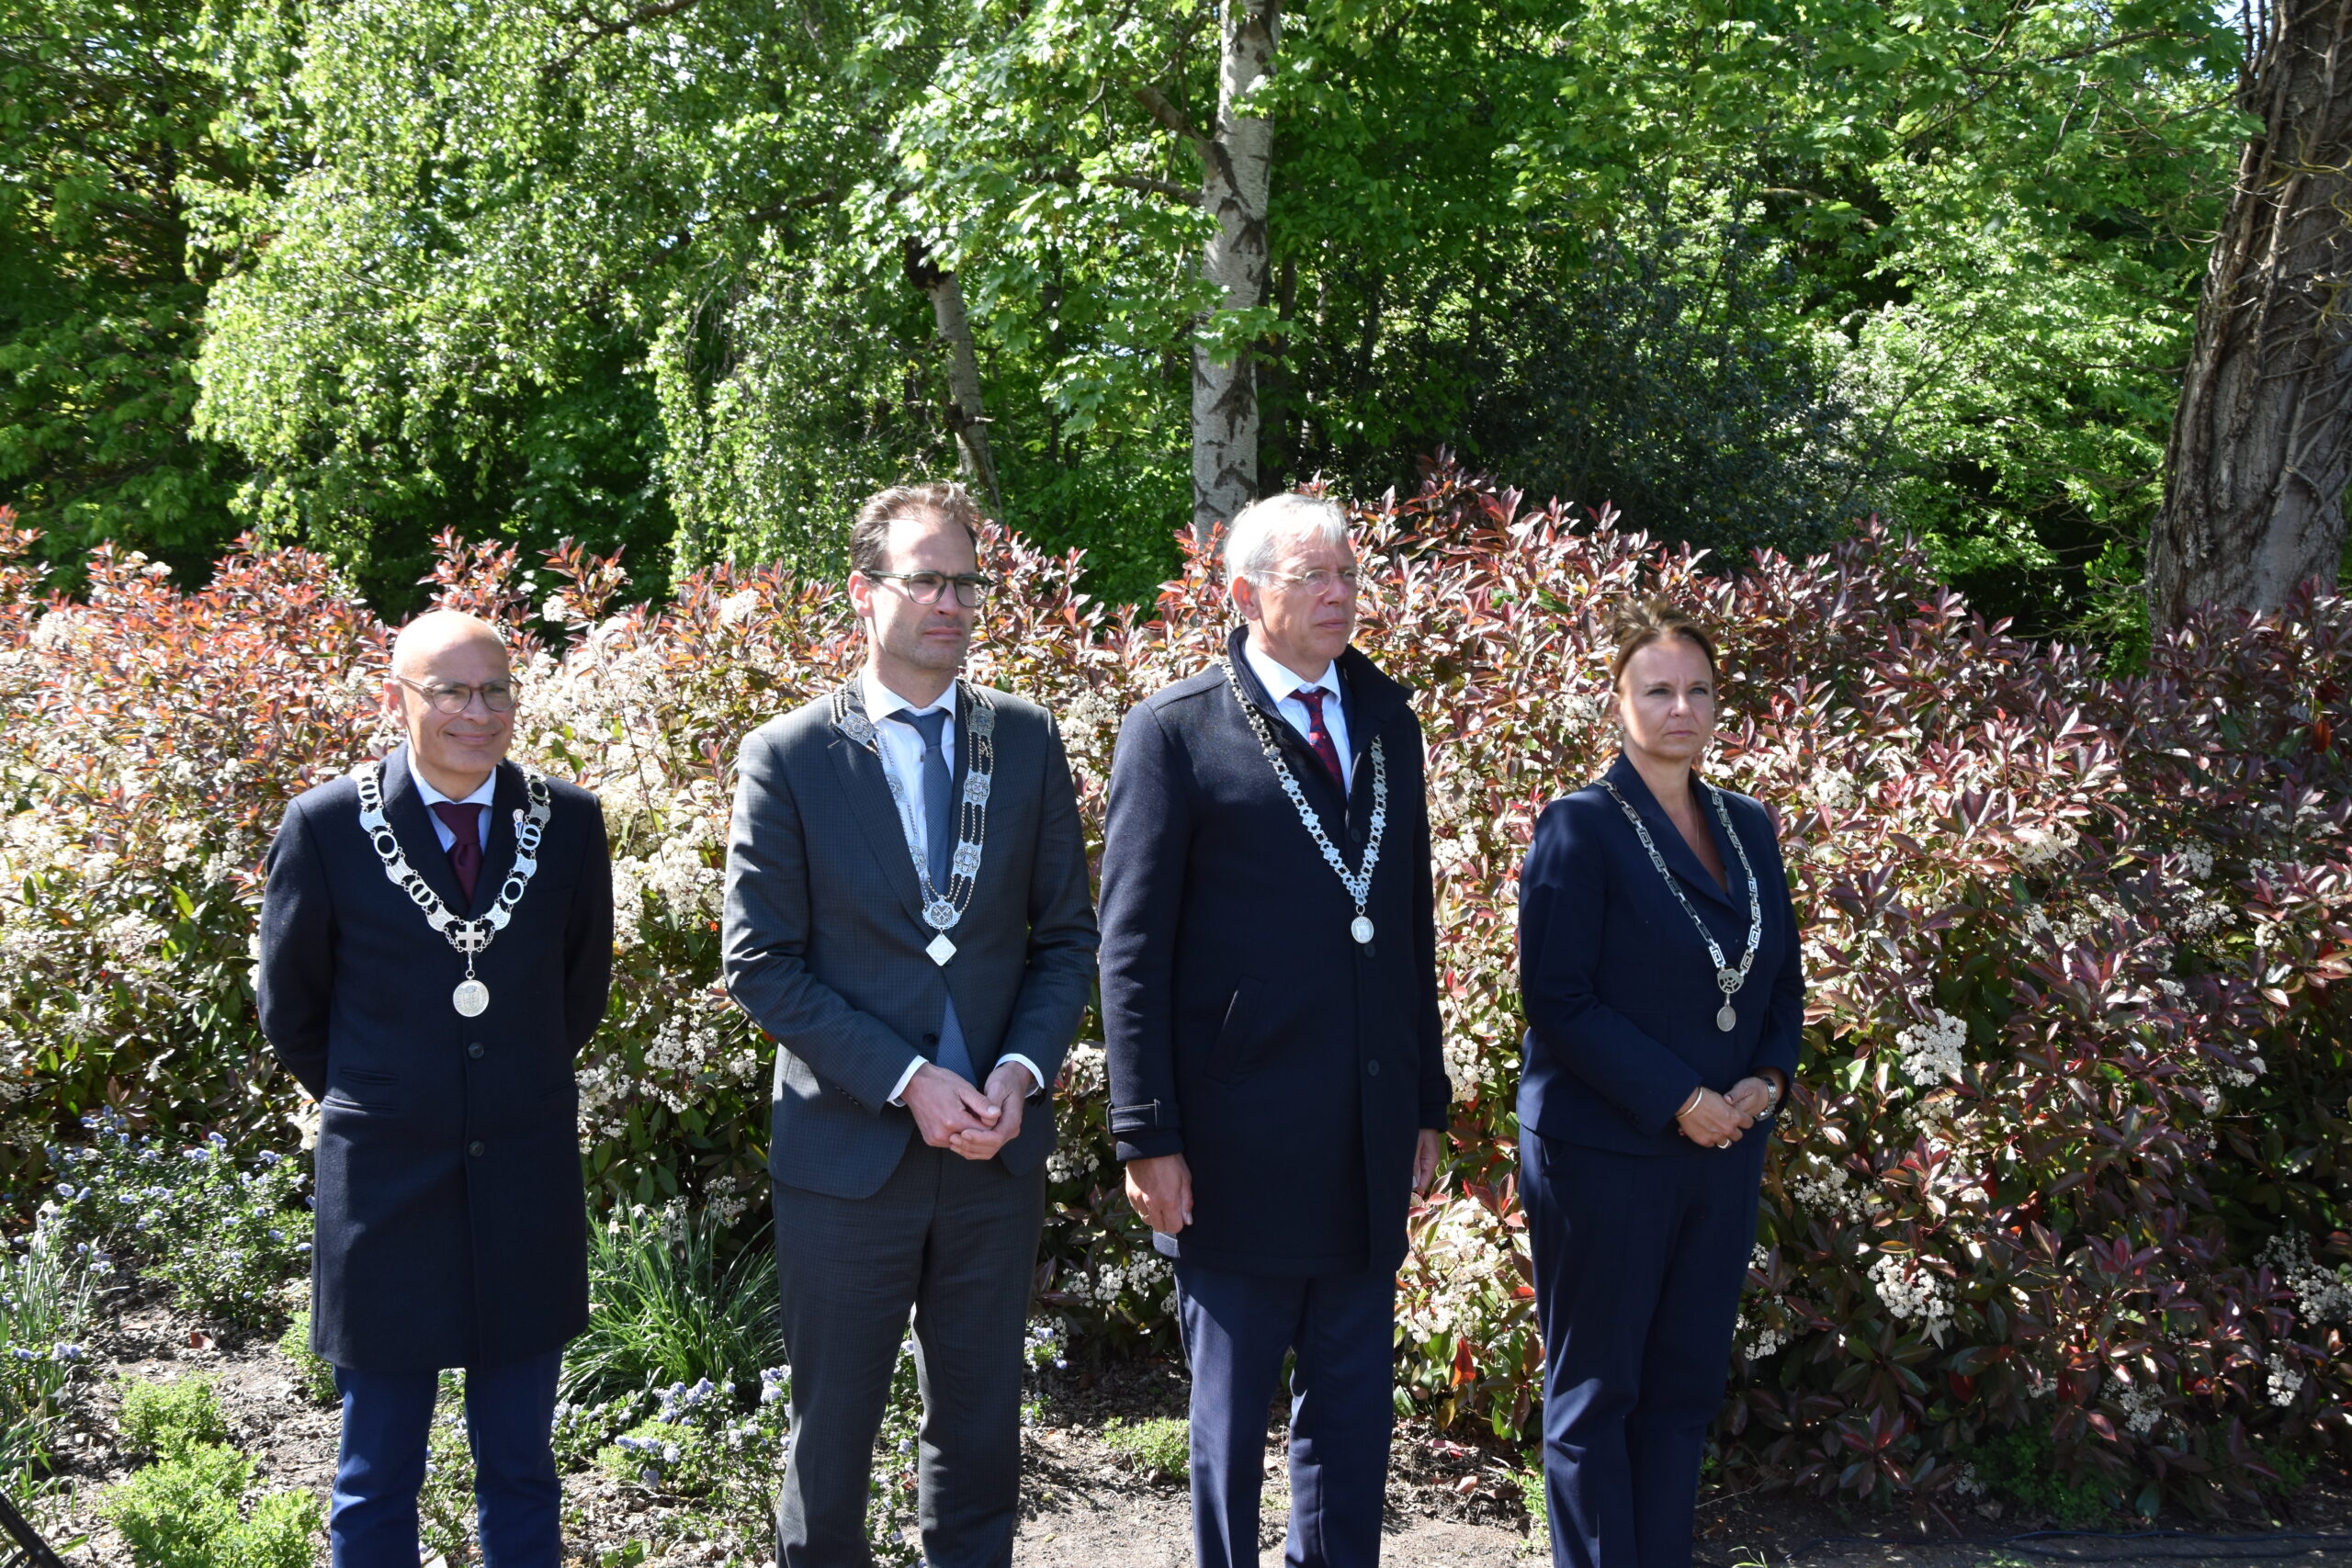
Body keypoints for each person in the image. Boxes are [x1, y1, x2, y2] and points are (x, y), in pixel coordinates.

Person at [721, 481, 1098, 1568]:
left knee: (980, 1438)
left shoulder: (1022, 739)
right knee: (831, 1442)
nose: (951, 603)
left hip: (992, 1152)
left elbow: (1065, 938)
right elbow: (759, 963)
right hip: (849, 1155)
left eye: (966, 583)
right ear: (863, 592)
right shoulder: (789, 755)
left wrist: (1019, 1070)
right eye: (926, 579)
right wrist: (906, 1079)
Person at [1101, 491, 1449, 1568]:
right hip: (1231, 1148)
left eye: (1348, 574)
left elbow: (1408, 923)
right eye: (1312, 577)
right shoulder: (1175, 731)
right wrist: (1146, 1134)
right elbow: (1130, 949)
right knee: (1230, 1423)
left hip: (1361, 1134)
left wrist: (1424, 1101)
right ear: (1246, 595)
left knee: (1350, 1422)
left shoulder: (1386, 722)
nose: (1340, 594)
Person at [257, 609, 614, 1568]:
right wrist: (393, 1097)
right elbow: (292, 1006)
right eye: (451, 690)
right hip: (384, 1186)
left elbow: (578, 990)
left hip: (525, 1178)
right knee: (376, 1471)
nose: (477, 712)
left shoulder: (568, 822)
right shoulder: (327, 826)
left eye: (496, 690)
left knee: (523, 1466)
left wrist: (500, 1092)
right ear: (396, 699)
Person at [1515, 598, 1804, 1568]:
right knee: (1598, 1393)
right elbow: (1557, 998)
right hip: (1606, 1151)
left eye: (1698, 690)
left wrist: (1766, 1078)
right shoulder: (1579, 827)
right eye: (1658, 691)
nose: (1682, 709)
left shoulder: (1748, 826)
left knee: (1683, 1388)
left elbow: (1780, 979)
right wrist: (1682, 1098)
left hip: (1722, 1151)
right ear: (1618, 702)